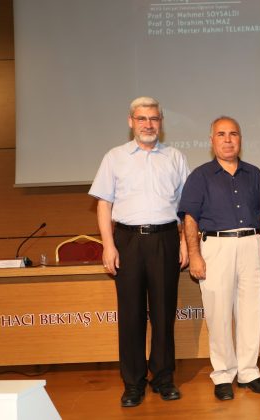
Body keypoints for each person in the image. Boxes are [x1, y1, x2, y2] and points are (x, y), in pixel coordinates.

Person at [89, 96, 190, 407]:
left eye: (154, 119)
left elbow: (186, 208)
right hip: (128, 241)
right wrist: (108, 245)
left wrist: (185, 242)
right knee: (131, 315)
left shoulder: (175, 157)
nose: (148, 124)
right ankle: (133, 383)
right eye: (142, 118)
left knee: (163, 314)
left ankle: (163, 378)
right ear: (131, 122)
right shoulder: (114, 157)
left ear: (161, 122)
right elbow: (103, 204)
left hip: (165, 239)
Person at [179, 117, 260, 401]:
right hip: (216, 247)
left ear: (240, 139)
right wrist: (194, 255)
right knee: (218, 313)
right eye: (221, 134)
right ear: (212, 140)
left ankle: (248, 372)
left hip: (251, 245)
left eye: (233, 134)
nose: (228, 139)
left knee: (251, 312)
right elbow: (190, 218)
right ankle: (222, 374)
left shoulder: (254, 174)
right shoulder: (200, 176)